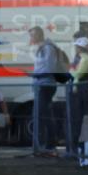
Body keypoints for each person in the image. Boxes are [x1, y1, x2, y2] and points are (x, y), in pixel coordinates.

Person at [28, 26, 61, 157]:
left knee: (43, 115)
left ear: (39, 35)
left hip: (46, 85)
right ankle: (45, 145)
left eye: (32, 35)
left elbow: (49, 67)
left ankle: (50, 145)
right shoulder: (42, 47)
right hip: (41, 84)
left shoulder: (48, 48)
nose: (31, 38)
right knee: (41, 114)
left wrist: (36, 75)